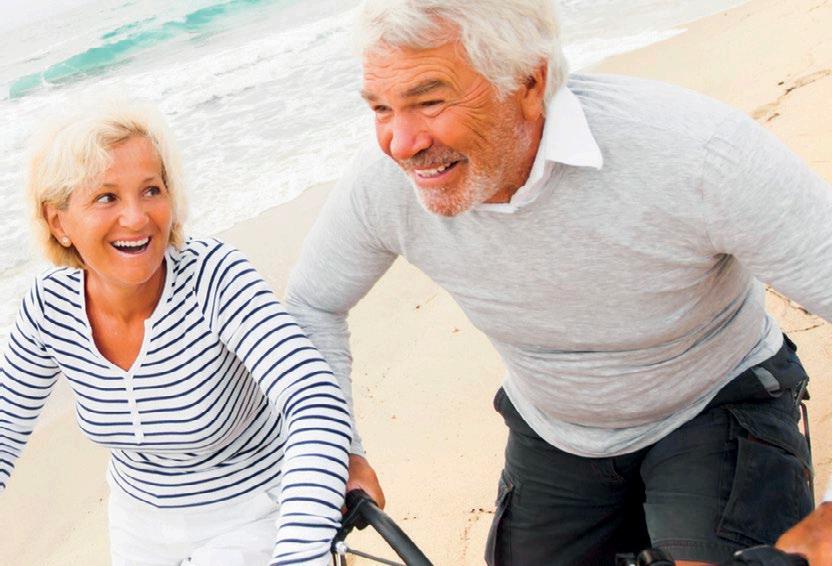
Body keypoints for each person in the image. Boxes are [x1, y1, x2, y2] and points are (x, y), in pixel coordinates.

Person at [284, 1, 832, 564]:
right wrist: (335, 450)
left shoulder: (696, 152)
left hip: (714, 396)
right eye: (381, 108)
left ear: (530, 82)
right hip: (555, 426)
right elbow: (313, 305)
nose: (401, 144)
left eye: (430, 102)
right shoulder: (384, 185)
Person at [0, 98, 351, 565]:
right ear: (57, 221)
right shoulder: (50, 307)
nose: (136, 217)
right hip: (138, 523)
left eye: (151, 190)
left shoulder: (215, 278)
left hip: (258, 509)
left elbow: (313, 398)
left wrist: (301, 548)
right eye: (106, 197)